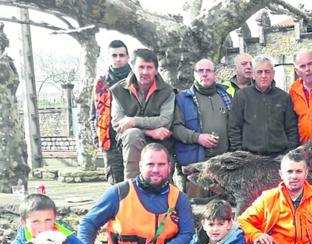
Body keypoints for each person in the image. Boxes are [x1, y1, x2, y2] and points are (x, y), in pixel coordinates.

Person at [110, 48, 175, 179]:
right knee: (132, 134)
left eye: (149, 67)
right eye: (141, 67)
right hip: (128, 143)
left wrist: (133, 121)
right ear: (133, 68)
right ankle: (132, 187)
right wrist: (149, 131)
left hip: (160, 144)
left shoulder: (167, 91)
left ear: (156, 70)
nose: (145, 72)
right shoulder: (118, 90)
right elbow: (118, 123)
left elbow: (165, 120)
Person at [228, 55, 299, 156]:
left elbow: (292, 129)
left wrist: (289, 153)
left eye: (267, 71)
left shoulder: (284, 97)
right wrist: (239, 154)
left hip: (278, 157)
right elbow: (234, 128)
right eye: (259, 72)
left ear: (273, 74)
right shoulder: (241, 96)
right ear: (253, 74)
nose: (263, 75)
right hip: (250, 158)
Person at [172, 58, 232, 167]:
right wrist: (197, 137)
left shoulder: (226, 96)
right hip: (196, 165)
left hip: (225, 163)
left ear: (215, 74)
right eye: (200, 71)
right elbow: (176, 128)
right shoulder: (182, 98)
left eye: (208, 71)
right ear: (194, 74)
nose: (204, 74)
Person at [92, 40, 130, 184]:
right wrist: (97, 136)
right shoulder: (101, 82)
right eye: (114, 55)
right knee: (115, 184)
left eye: (121, 55)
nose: (118, 59)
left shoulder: (138, 79)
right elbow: (95, 112)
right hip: (110, 139)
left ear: (127, 57)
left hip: (133, 136)